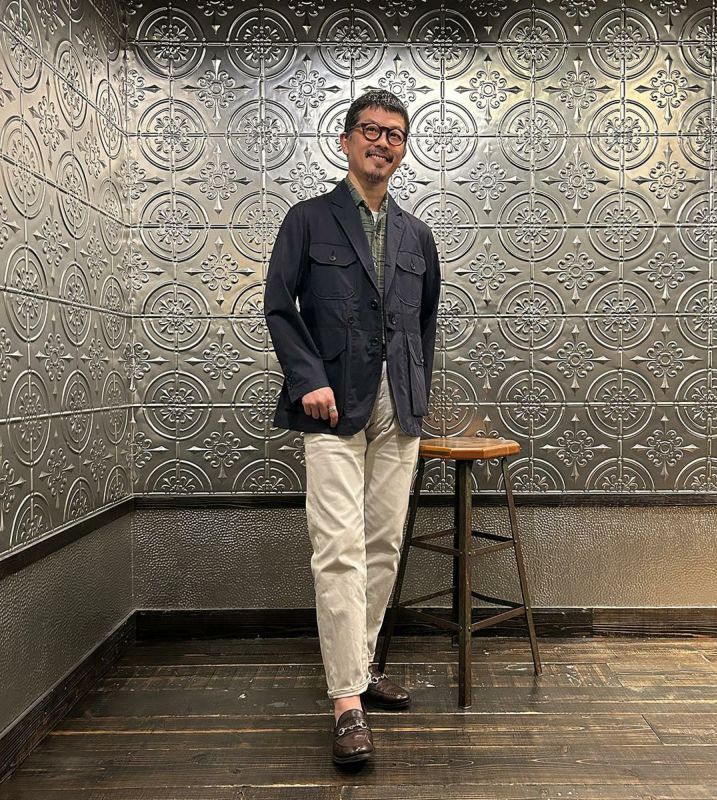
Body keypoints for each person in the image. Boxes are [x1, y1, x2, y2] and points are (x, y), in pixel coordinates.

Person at [264, 89, 441, 767]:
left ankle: (361, 667)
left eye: (395, 134)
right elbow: (280, 307)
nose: (382, 142)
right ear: (345, 141)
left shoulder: (417, 235)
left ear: (403, 149)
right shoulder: (308, 219)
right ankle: (346, 703)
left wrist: (418, 392)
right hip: (332, 406)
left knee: (383, 545)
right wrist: (307, 378)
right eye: (371, 130)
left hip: (400, 407)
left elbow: (423, 323)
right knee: (338, 548)